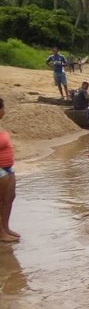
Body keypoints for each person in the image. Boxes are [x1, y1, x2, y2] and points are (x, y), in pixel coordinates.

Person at [0, 98, 19, 242]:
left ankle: (5, 227)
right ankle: (1, 233)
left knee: (10, 198)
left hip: (8, 166)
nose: (4, 111)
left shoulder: (1, 126)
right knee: (1, 200)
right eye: (3, 108)